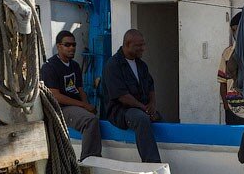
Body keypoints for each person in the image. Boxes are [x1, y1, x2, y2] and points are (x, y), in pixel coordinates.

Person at [40, 30, 101, 161]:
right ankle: (89, 159)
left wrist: (87, 106)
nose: (72, 48)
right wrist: (83, 105)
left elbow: (80, 89)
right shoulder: (49, 67)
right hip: (61, 108)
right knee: (90, 121)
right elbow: (55, 96)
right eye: (67, 45)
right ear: (58, 46)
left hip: (76, 106)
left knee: (95, 117)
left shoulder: (75, 65)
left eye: (74, 45)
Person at [103, 29, 162, 163]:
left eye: (143, 44)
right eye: (139, 46)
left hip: (141, 107)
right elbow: (122, 96)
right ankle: (151, 163)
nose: (143, 49)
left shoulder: (141, 65)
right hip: (121, 111)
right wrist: (144, 108)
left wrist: (152, 105)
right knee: (141, 119)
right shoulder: (113, 65)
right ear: (127, 44)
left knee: (159, 118)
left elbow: (150, 86)